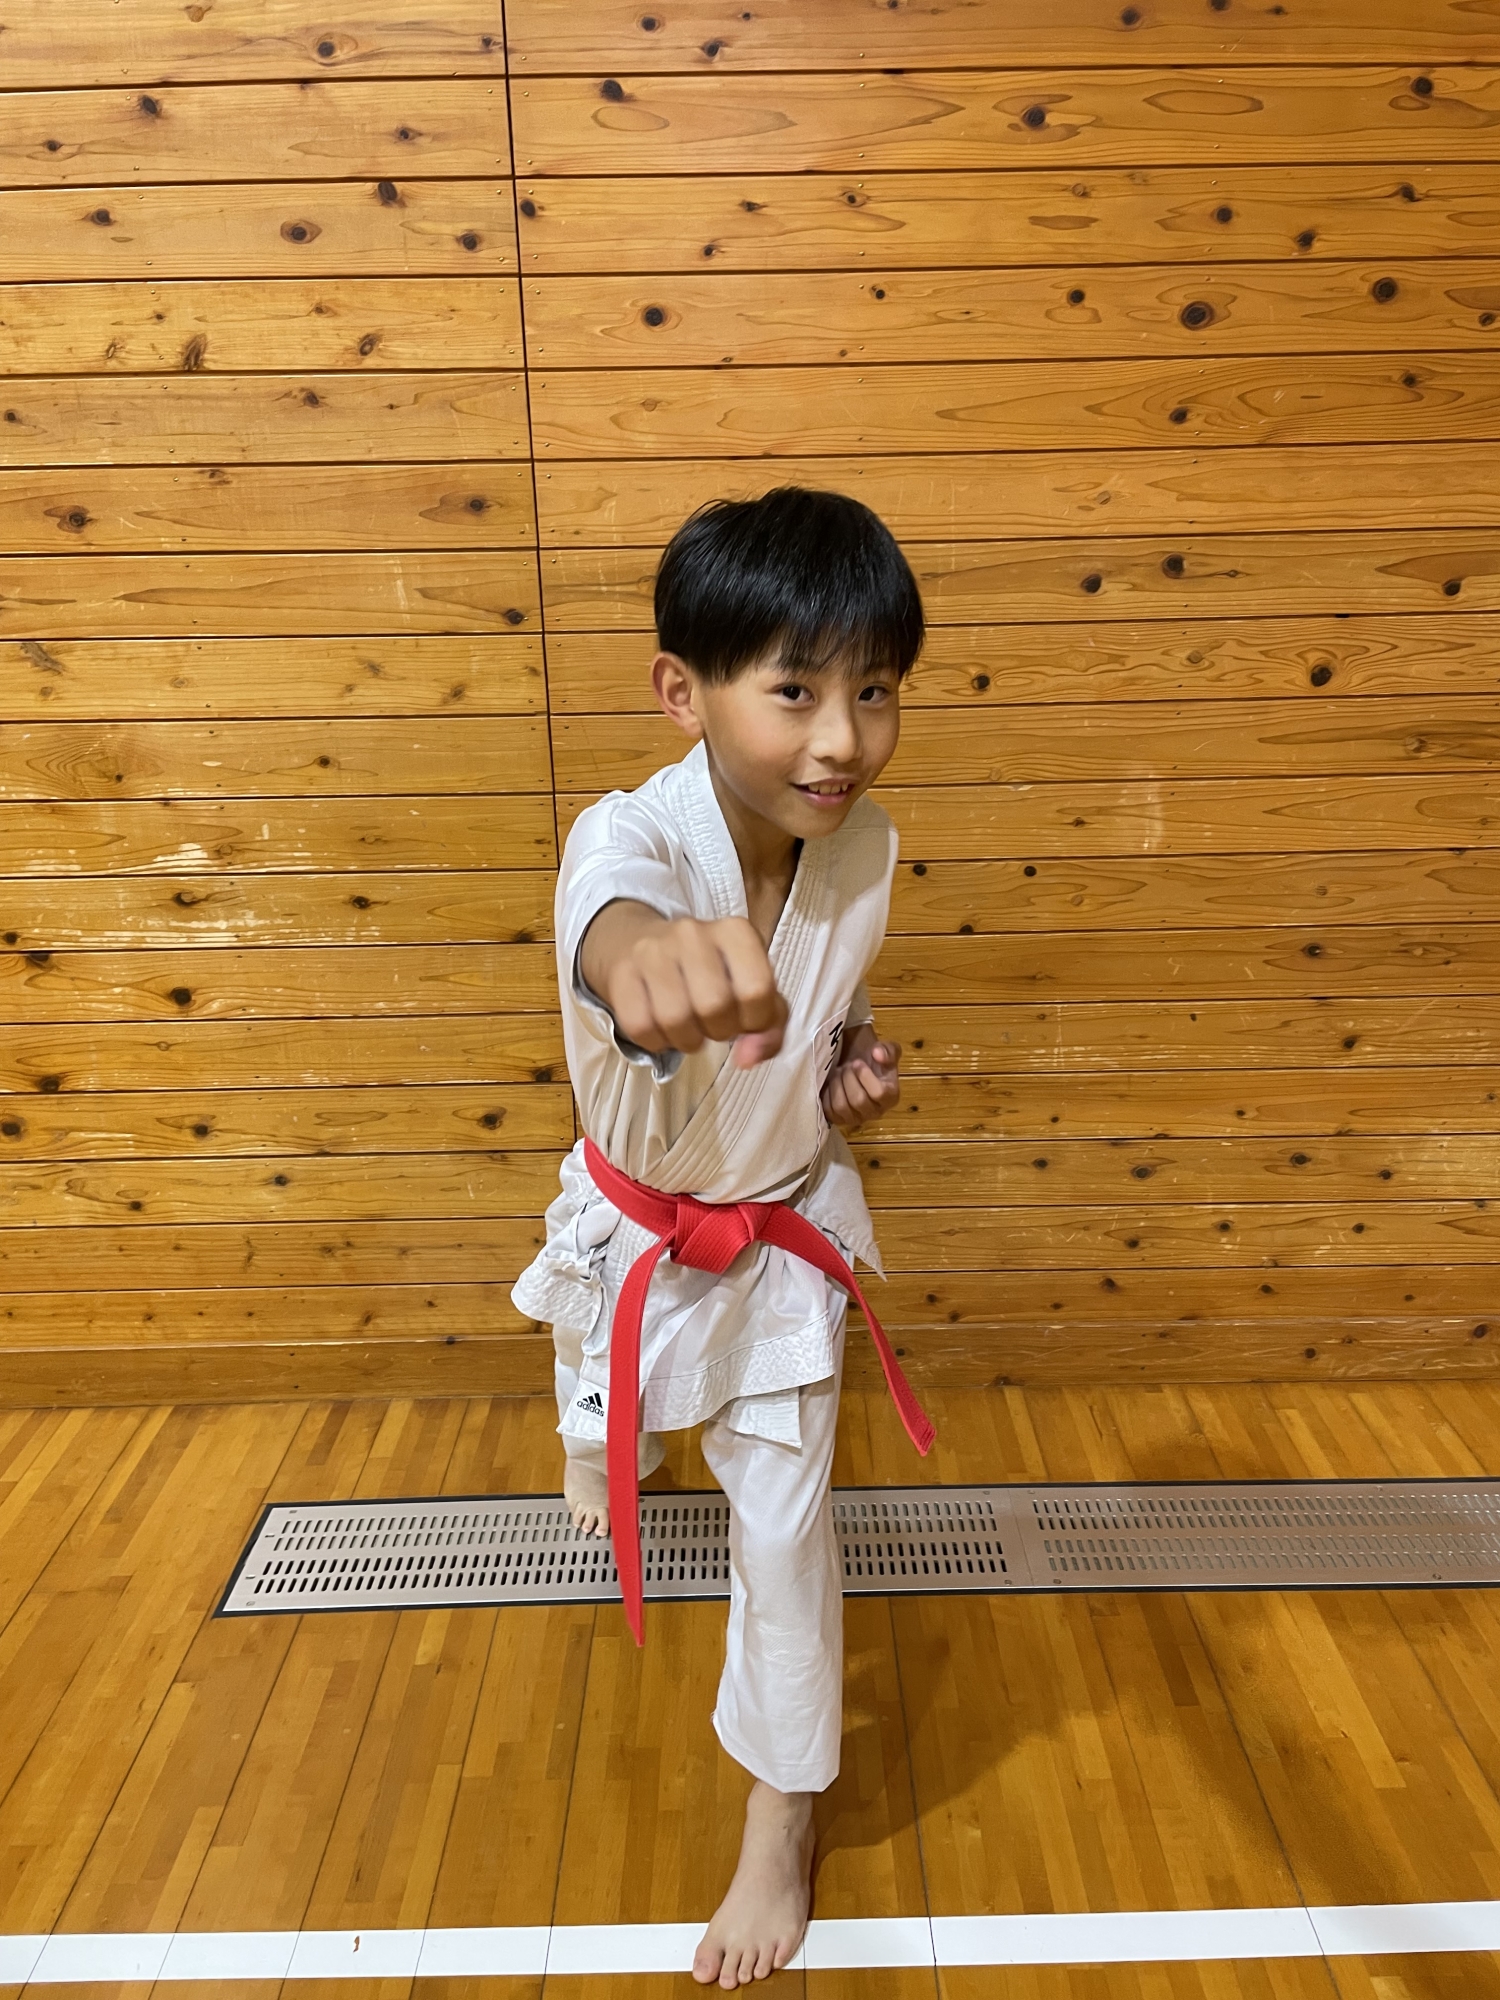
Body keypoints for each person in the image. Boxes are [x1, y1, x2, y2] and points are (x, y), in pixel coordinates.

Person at [512, 485, 933, 1989]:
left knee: (786, 1534)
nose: (843, 739)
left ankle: (781, 1811)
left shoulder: (865, 849)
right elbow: (610, 918)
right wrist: (642, 958)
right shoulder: (626, 836)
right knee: (607, 1412)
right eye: (796, 691)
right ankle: (599, 1445)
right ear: (683, 693)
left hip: (781, 1229)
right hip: (638, 1227)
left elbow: (828, 1003)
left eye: (874, 691)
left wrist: (847, 1068)